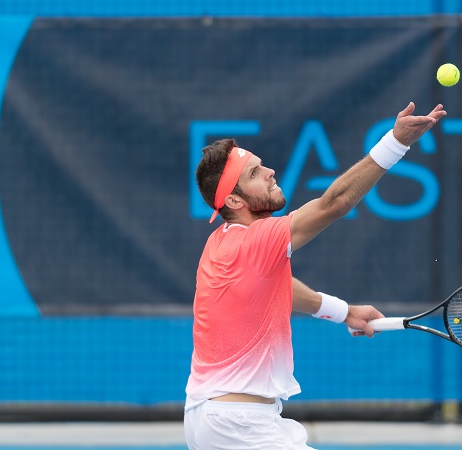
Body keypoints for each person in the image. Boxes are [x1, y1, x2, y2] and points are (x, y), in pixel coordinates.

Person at [184, 102, 447, 450]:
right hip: (238, 426)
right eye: (254, 173)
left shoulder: (220, 244)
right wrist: (395, 142)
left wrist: (343, 311)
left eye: (261, 166)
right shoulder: (256, 241)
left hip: (222, 419)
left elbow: (279, 289)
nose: (270, 172)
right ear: (234, 201)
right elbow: (333, 203)